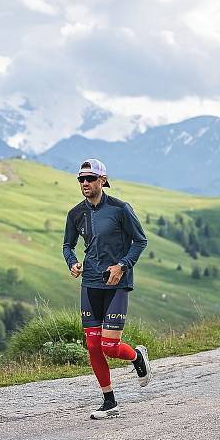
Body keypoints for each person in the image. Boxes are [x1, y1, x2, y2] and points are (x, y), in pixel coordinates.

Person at [62, 158, 150, 419]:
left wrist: (122, 265)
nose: (85, 183)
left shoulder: (121, 209)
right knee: (92, 345)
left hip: (116, 283)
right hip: (90, 282)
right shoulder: (75, 213)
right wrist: (72, 263)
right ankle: (109, 401)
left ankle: (136, 356)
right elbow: (68, 245)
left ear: (103, 180)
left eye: (90, 178)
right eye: (81, 179)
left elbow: (140, 240)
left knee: (110, 346)